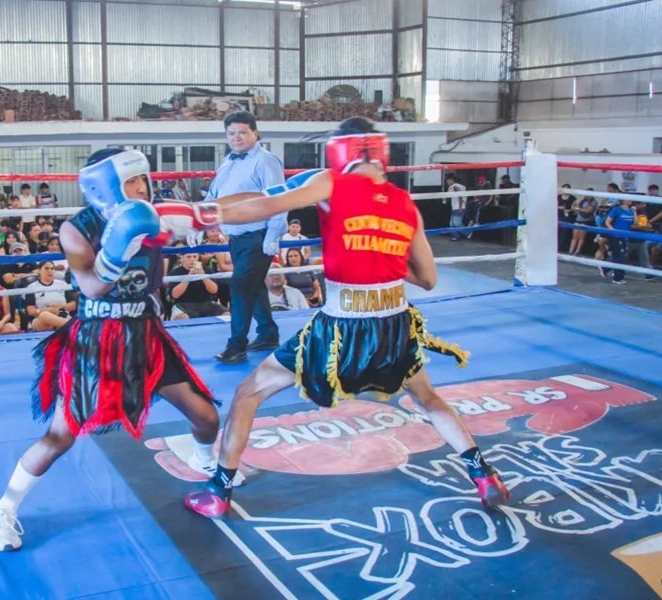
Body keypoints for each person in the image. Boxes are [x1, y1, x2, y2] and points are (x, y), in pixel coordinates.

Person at [170, 117, 510, 518]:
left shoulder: (332, 182)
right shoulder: (405, 204)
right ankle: (483, 474)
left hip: (341, 327)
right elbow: (429, 279)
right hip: (395, 324)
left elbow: (266, 202)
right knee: (429, 399)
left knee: (248, 392)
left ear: (340, 150)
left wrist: (195, 214)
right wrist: (380, 254)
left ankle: (218, 491)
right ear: (380, 152)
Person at [0, 148, 220, 552]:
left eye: (143, 180)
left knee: (205, 416)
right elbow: (92, 286)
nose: (141, 188)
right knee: (61, 436)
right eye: (130, 181)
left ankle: (208, 464)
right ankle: (4, 508)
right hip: (98, 339)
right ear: (105, 186)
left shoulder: (155, 213)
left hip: (146, 333)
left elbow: (210, 215)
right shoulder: (77, 229)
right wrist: (119, 249)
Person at [205, 111, 286, 364]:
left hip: (258, 235)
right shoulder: (227, 161)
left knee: (240, 287)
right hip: (236, 236)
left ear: (255, 133)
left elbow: (279, 198)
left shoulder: (266, 161)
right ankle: (268, 333)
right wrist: (197, 223)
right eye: (231, 133)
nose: (236, 137)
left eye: (242, 132)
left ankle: (236, 345)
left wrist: (273, 234)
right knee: (252, 285)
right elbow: (213, 196)